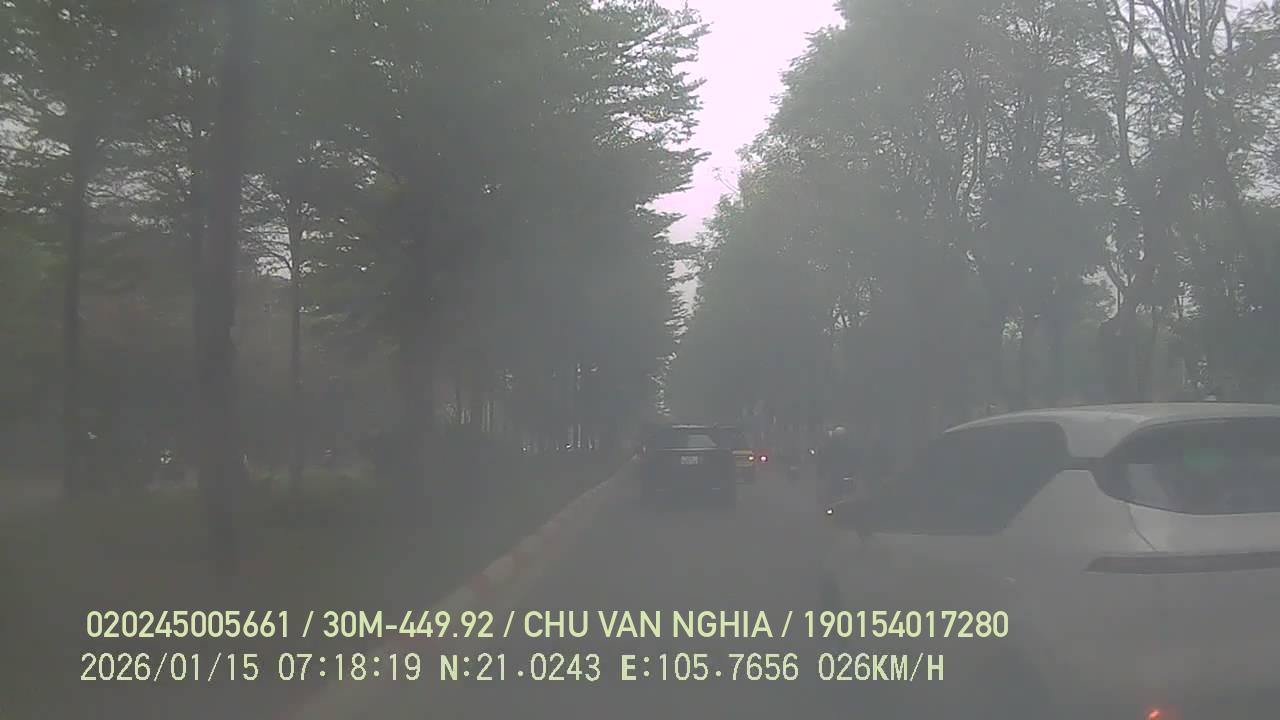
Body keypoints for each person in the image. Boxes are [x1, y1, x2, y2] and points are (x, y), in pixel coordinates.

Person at [816, 425, 860, 505]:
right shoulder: (830, 447)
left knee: (845, 496)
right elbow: (823, 460)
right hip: (834, 476)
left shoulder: (847, 447)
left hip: (842, 476)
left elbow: (853, 460)